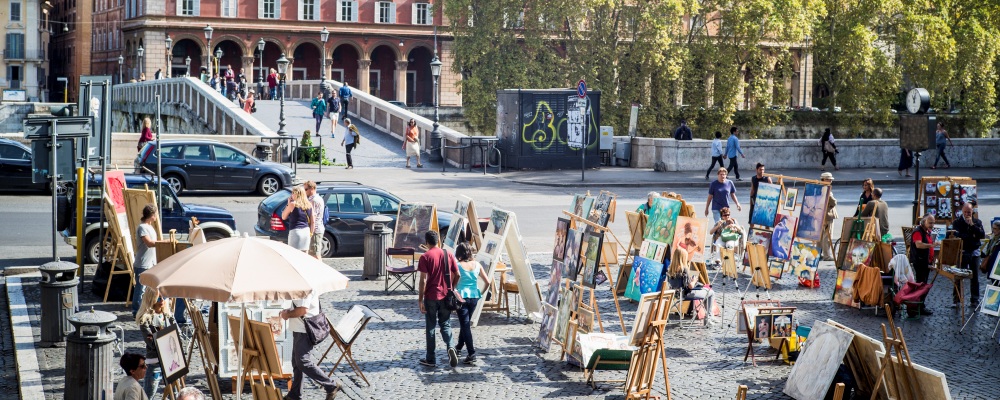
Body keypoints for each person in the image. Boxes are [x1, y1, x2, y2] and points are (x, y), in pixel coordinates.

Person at [280, 292, 342, 400]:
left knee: (302, 361)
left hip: (304, 330)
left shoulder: (304, 288)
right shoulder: (301, 285)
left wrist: (287, 315)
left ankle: (331, 385)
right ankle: (295, 394)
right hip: (299, 328)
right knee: (296, 363)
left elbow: (303, 310)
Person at [417, 230, 461, 368]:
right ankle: (450, 346)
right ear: (438, 241)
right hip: (445, 296)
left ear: (426, 242)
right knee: (445, 324)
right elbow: (458, 274)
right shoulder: (448, 254)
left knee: (430, 327)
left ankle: (431, 359)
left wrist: (420, 299)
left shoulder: (425, 256)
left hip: (431, 296)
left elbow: (423, 280)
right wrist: (451, 289)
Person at [453, 242, 491, 364]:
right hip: (474, 296)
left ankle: (471, 353)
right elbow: (488, 282)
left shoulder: (458, 265)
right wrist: (480, 293)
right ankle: (459, 346)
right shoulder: (477, 265)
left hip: (461, 297)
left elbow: (452, 282)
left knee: (465, 325)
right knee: (465, 323)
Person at [136, 292, 175, 398]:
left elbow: (177, 334)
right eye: (158, 298)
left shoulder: (168, 316)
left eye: (164, 297)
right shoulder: (145, 319)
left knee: (174, 394)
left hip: (171, 361)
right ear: (151, 299)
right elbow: (152, 342)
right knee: (149, 395)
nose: (162, 301)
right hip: (155, 362)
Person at [666, 247, 716, 325]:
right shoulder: (684, 269)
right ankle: (709, 317)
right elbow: (690, 286)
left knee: (706, 291)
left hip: (676, 294)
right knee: (711, 292)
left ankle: (709, 316)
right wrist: (694, 280)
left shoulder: (670, 269)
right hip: (687, 294)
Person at [951, 203, 985, 306]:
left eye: (969, 212)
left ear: (972, 212)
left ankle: (974, 299)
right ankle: (956, 299)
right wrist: (972, 236)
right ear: (962, 211)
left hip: (974, 252)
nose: (967, 214)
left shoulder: (977, 222)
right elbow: (958, 235)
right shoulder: (957, 222)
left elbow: (981, 235)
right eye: (965, 212)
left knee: (974, 277)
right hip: (963, 251)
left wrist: (972, 227)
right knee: (959, 275)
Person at [132, 205, 158, 316]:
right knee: (140, 289)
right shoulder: (142, 227)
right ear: (152, 215)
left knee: (148, 290)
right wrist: (164, 243)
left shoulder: (150, 227)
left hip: (150, 263)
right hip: (142, 264)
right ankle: (136, 311)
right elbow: (148, 243)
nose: (157, 216)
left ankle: (145, 309)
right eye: (156, 214)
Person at [909, 214, 937, 315]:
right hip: (920, 261)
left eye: (933, 223)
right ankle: (919, 306)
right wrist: (931, 245)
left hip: (926, 261)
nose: (932, 225)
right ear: (924, 222)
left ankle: (921, 305)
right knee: (921, 284)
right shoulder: (918, 231)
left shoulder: (927, 231)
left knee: (924, 284)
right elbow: (918, 244)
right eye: (930, 223)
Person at [281, 186, 313, 252]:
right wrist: (311, 233)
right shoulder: (309, 205)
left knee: (293, 254)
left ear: (297, 194)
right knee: (305, 255)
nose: (291, 195)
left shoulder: (293, 204)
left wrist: (288, 204)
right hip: (306, 232)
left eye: (293, 193)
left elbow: (283, 217)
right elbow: (312, 222)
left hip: (296, 231)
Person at [819, 172, 839, 261]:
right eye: (829, 179)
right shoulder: (827, 189)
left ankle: (818, 253)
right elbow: (833, 202)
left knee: (820, 236)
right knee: (827, 236)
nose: (830, 180)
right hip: (827, 215)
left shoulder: (819, 187)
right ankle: (826, 255)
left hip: (820, 214)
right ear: (824, 180)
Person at [305, 181, 326, 260]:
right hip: (316, 228)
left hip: (315, 229)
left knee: (315, 254)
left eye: (306, 189)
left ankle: (321, 271)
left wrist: (311, 231)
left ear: (312, 189)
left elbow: (313, 217)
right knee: (313, 253)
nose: (305, 191)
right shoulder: (316, 198)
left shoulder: (314, 200)